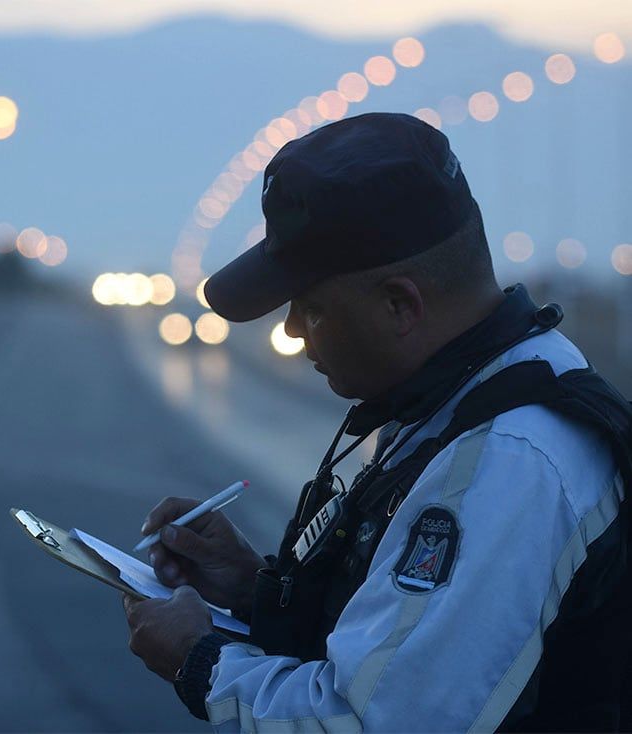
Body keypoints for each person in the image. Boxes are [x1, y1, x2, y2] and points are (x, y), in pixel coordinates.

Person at [122, 114, 631, 731]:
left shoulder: (508, 458)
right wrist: (254, 590)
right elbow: (399, 641)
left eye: (310, 307)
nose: (289, 330)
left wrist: (196, 658)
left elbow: (369, 720)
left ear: (399, 305)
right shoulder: (460, 397)